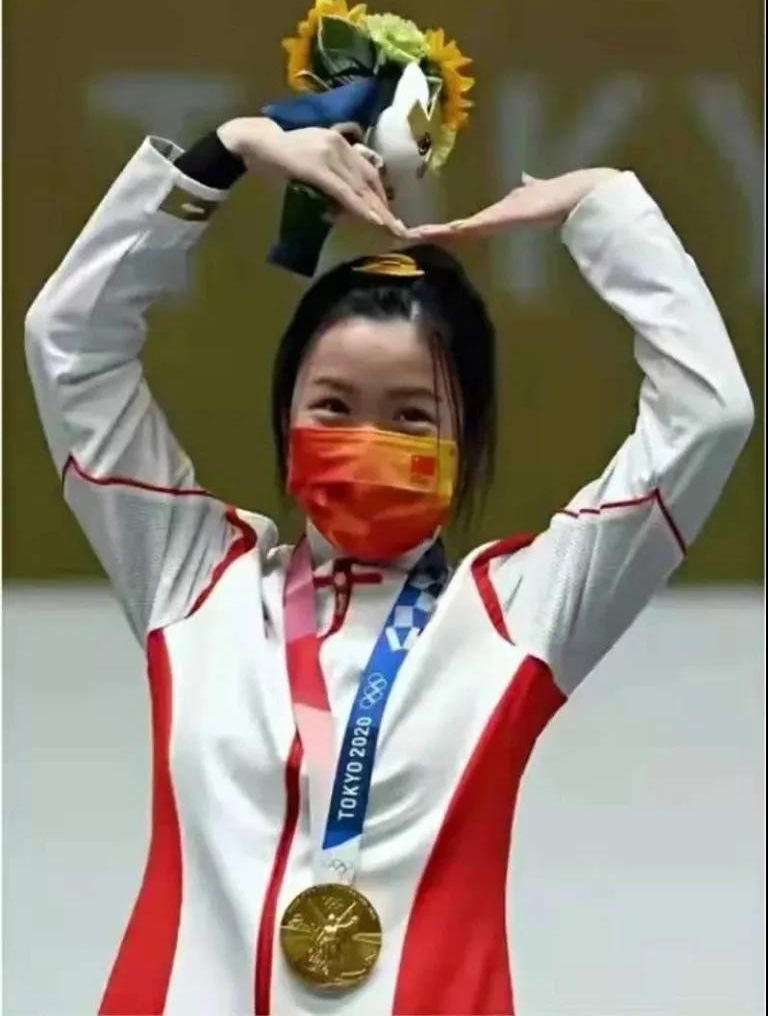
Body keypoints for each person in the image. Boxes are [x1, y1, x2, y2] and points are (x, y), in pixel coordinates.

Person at [25, 114, 753, 1016]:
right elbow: (72, 345)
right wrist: (230, 151)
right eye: (333, 406)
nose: (365, 439)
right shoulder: (193, 581)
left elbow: (708, 417)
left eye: (411, 415)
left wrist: (601, 210)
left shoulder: (517, 616)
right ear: (285, 417)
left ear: (466, 439)